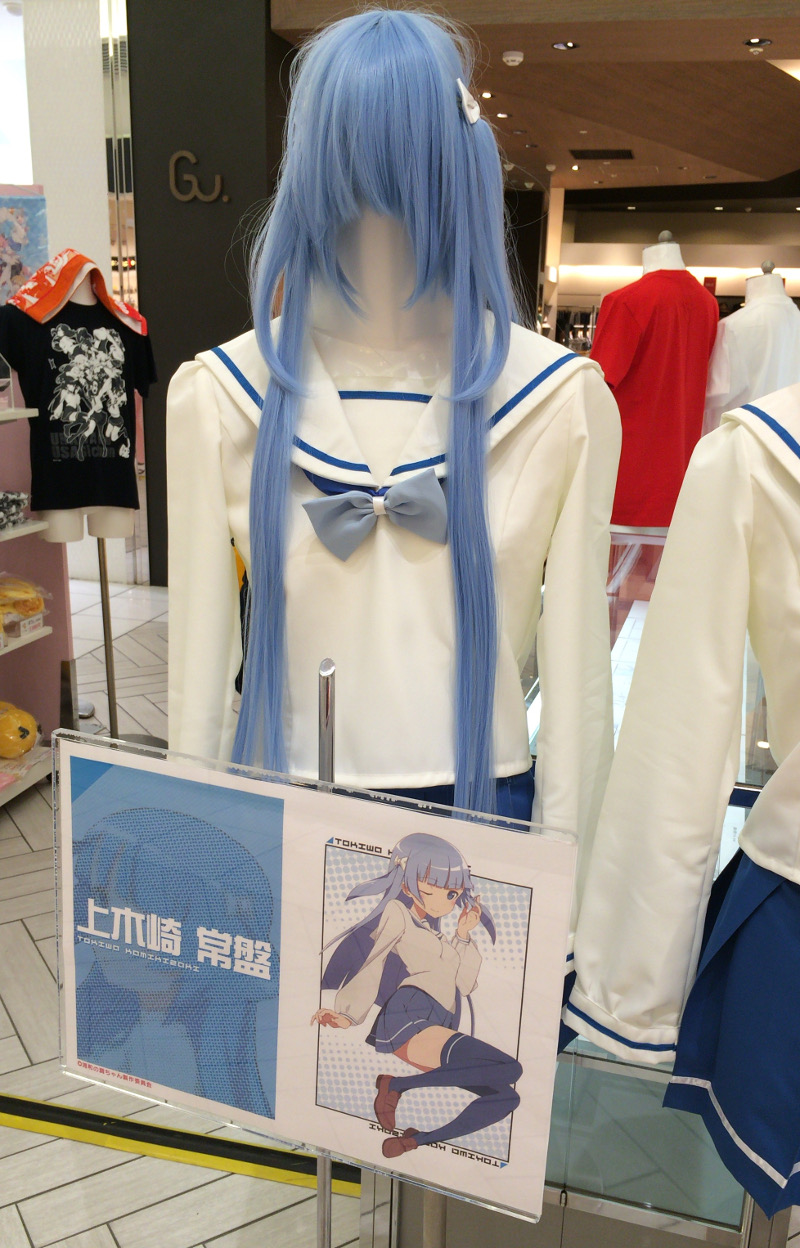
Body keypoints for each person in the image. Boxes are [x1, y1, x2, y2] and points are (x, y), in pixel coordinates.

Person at [312, 832, 521, 1159]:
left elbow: (465, 984)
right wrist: (348, 1013)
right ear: (408, 886)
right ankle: (396, 1085)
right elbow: (375, 958)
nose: (446, 900)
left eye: (452, 893)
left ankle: (416, 1140)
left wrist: (463, 933)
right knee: (512, 1068)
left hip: (439, 1023)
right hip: (411, 1012)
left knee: (507, 1097)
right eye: (434, 888)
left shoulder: (441, 939)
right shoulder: (398, 913)